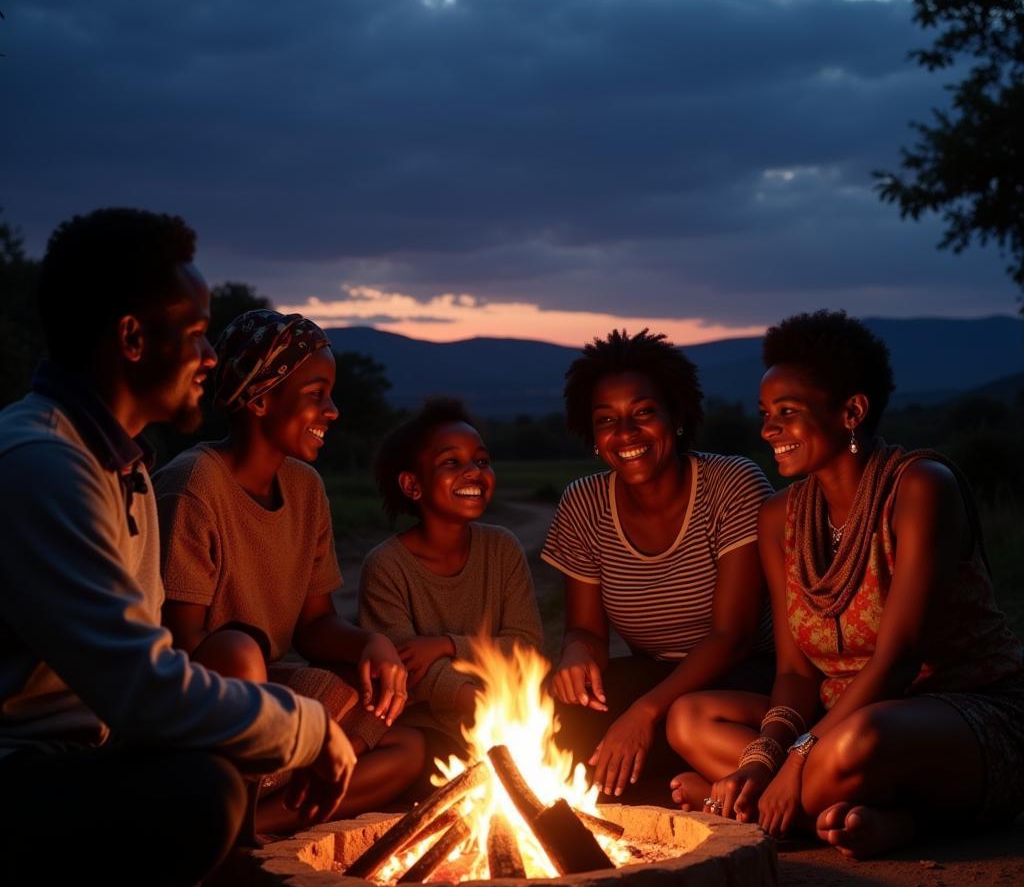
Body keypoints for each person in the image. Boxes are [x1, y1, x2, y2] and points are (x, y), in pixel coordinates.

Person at [0, 209, 356, 887]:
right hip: (17, 766)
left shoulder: (118, 466)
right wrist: (306, 727)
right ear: (132, 339)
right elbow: (145, 687)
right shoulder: (41, 465)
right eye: (195, 333)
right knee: (202, 795)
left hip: (70, 755)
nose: (208, 357)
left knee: (215, 746)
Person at [667, 310, 1024, 858]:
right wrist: (767, 759)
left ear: (851, 411)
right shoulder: (778, 518)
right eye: (765, 414)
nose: (767, 430)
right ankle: (856, 815)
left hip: (958, 709)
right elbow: (793, 672)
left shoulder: (921, 488)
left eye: (787, 413)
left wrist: (799, 759)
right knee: (689, 718)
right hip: (835, 717)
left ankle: (756, 811)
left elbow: (897, 662)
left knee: (865, 739)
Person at [155, 309, 424, 825]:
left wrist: (372, 644)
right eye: (316, 394)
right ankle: (226, 815)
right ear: (259, 400)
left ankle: (254, 823)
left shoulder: (305, 488)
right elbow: (182, 651)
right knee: (240, 656)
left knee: (407, 747)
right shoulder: (193, 486)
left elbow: (316, 624)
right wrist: (295, 719)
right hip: (208, 717)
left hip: (269, 698)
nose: (333, 411)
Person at [542, 328, 774, 801]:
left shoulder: (730, 484)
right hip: (657, 676)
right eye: (607, 420)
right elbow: (586, 631)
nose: (626, 434)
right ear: (592, 433)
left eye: (644, 413)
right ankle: (694, 786)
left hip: (747, 673)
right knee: (554, 714)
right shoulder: (583, 503)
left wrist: (643, 714)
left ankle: (717, 783)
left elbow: (734, 635)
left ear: (677, 416)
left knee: (673, 717)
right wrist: (575, 655)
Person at [359, 398, 544, 767]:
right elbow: (408, 668)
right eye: (451, 463)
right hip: (433, 731)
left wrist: (447, 645)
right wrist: (481, 704)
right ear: (413, 485)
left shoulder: (502, 547)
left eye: (481, 460)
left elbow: (528, 647)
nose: (474, 471)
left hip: (509, 711)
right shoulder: (386, 566)